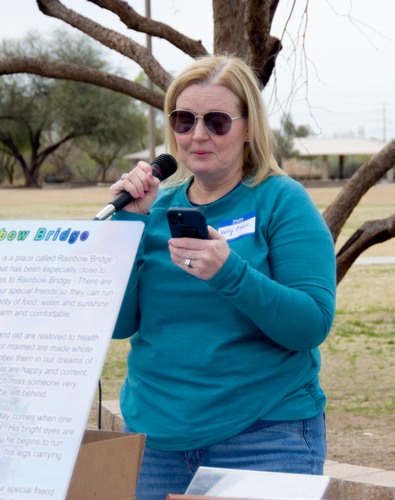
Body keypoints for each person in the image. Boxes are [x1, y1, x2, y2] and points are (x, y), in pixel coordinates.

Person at [109, 54, 336, 499]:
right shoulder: (153, 207)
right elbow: (117, 325)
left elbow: (311, 325)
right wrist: (127, 224)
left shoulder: (282, 201)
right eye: (184, 120)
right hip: (155, 443)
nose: (198, 135)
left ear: (249, 127)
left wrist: (230, 273)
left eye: (216, 121)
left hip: (264, 437)